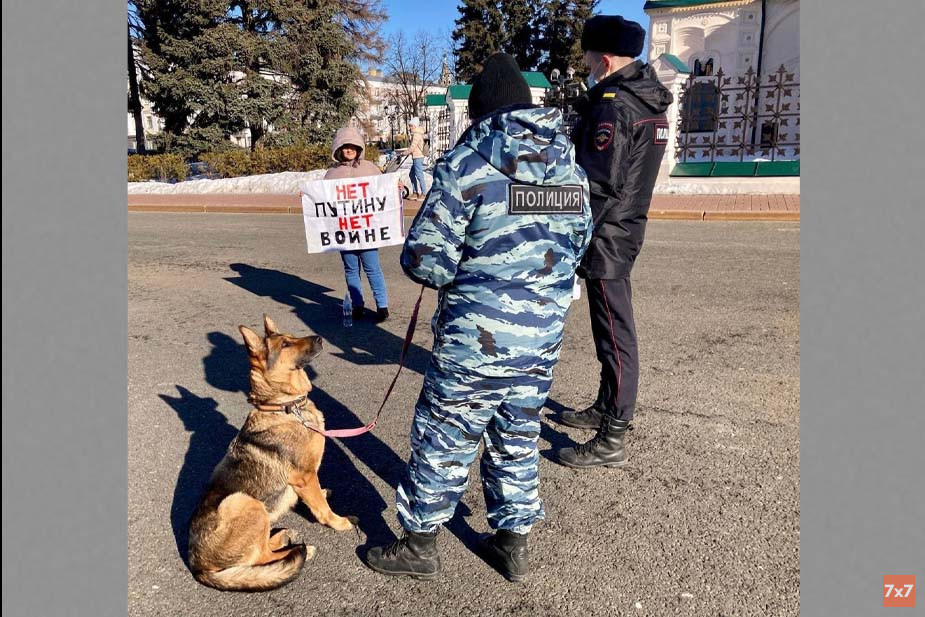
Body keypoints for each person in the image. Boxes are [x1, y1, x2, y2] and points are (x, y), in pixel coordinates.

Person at [364, 53, 592, 582]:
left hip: (475, 340)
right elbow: (579, 244)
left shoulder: (466, 165)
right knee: (517, 433)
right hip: (541, 337)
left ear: (480, 111)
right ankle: (512, 543)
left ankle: (420, 544)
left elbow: (426, 259)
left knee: (445, 435)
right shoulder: (570, 170)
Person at [551, 15, 673, 469]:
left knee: (616, 334)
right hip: (624, 227)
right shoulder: (643, 97)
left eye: (586, 58)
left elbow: (597, 183)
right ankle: (607, 405)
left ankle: (614, 434)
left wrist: (568, 233)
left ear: (603, 60)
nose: (583, 65)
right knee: (609, 329)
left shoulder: (615, 105)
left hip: (607, 234)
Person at [324, 126, 391, 323]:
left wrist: (396, 187)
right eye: (345, 146)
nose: (349, 149)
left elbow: (383, 190)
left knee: (372, 267)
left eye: (353, 145)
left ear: (359, 147)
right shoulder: (331, 174)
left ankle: (382, 306)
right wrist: (309, 198)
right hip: (345, 231)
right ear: (338, 149)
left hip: (367, 230)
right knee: (351, 269)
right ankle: (358, 304)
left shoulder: (369, 168)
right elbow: (323, 200)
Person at [407, 118, 428, 200]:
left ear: (415, 126)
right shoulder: (415, 134)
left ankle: (424, 194)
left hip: (418, 157)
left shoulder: (416, 135)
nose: (410, 127)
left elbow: (412, 147)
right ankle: (415, 193)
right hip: (416, 157)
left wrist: (404, 152)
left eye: (411, 126)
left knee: (419, 175)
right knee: (411, 174)